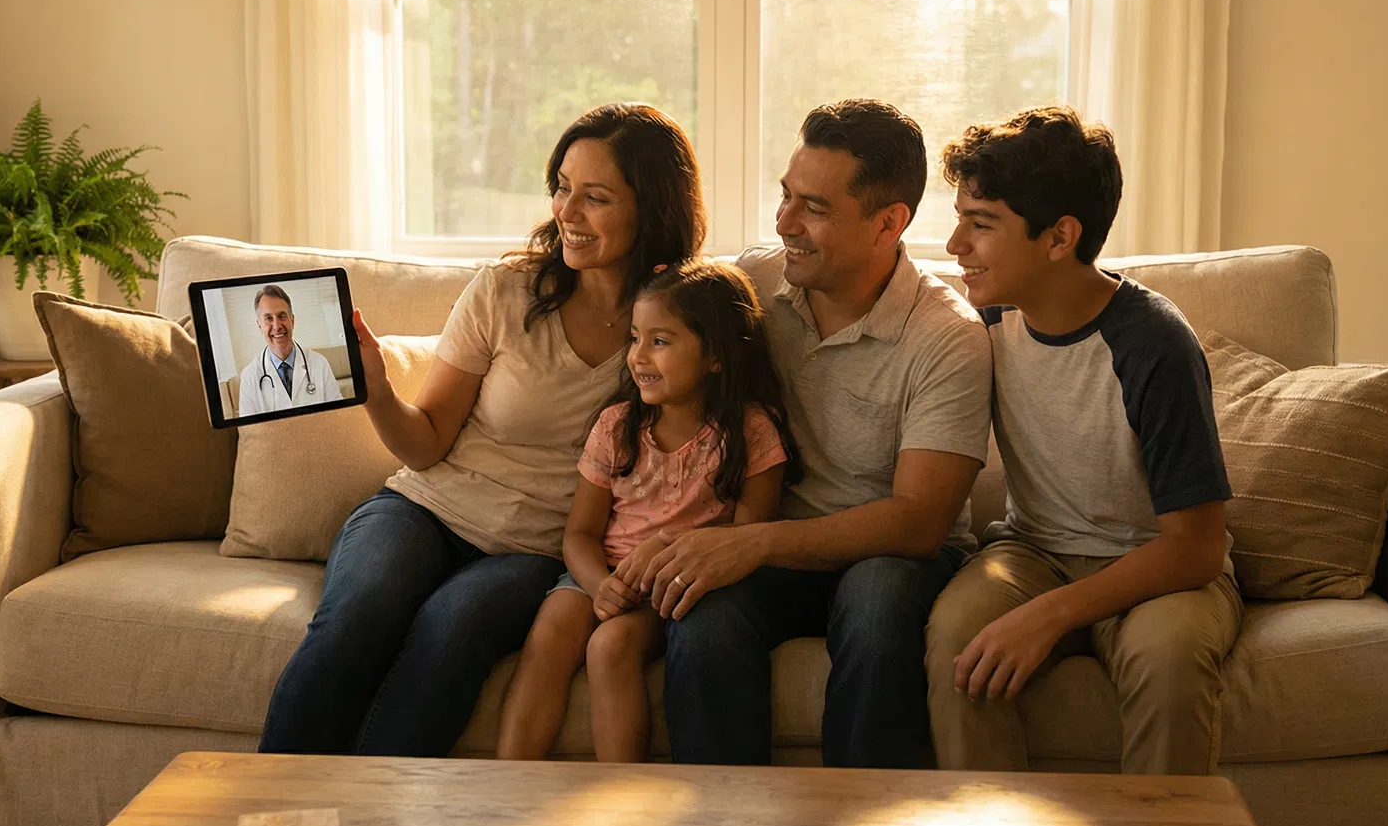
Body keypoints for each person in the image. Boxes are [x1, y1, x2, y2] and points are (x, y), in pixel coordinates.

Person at [258, 103, 706, 757]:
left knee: (450, 629)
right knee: (356, 619)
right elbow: (426, 439)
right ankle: (266, 812)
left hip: (534, 552)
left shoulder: (678, 323)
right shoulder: (505, 290)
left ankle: (373, 824)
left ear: (653, 208)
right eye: (562, 188)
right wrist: (377, 390)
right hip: (420, 510)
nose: (567, 212)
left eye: (596, 197)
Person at [618, 99, 994, 769]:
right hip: (773, 550)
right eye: (786, 196)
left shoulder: (948, 337)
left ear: (889, 223)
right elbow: (655, 336)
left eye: (814, 208)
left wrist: (749, 542)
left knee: (877, 608)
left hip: (891, 556)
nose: (785, 222)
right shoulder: (755, 285)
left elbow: (917, 524)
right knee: (701, 621)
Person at [926, 104, 1240, 776]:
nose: (956, 245)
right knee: (958, 633)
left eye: (981, 225)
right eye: (960, 220)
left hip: (1156, 565)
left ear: (1059, 237)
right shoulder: (981, 321)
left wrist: (1050, 616)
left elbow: (1197, 547)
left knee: (1170, 657)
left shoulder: (1152, 341)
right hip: (1031, 552)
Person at [494, 261, 801, 763]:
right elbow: (579, 535)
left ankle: (621, 798)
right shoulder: (617, 427)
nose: (638, 356)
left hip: (677, 584)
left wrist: (663, 558)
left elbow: (748, 538)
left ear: (717, 356)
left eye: (660, 341)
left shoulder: (752, 432)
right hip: (604, 573)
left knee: (609, 646)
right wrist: (600, 585)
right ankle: (505, 785)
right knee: (550, 633)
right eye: (635, 338)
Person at [236, 284, 343, 416]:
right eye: (268, 318)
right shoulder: (249, 377)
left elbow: (340, 416)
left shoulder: (319, 363)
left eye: (282, 316)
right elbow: (249, 431)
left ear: (292, 321)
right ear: (260, 326)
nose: (276, 326)